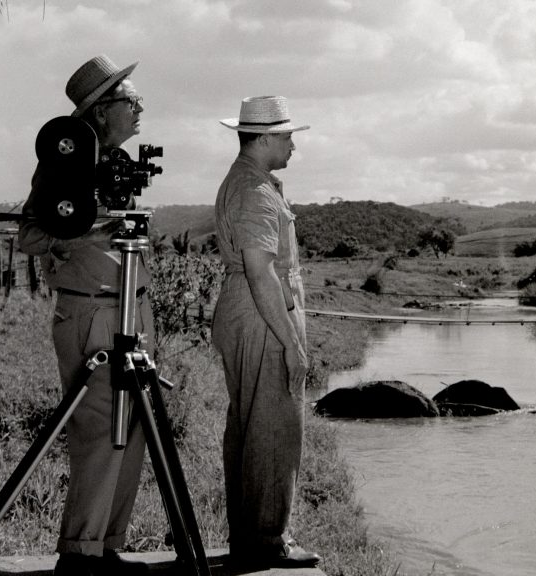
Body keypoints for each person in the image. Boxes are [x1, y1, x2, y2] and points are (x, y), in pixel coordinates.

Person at [17, 54, 155, 576]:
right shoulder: (64, 163)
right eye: (130, 100)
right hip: (91, 315)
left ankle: (107, 547)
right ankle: (80, 556)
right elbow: (32, 235)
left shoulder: (115, 164)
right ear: (100, 113)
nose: (139, 108)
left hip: (128, 310)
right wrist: (88, 225)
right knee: (100, 432)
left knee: (133, 430)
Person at [211, 95, 321, 568]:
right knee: (274, 428)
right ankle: (268, 539)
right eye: (288, 136)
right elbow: (262, 273)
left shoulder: (256, 183)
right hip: (261, 314)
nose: (294, 145)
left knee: (253, 425)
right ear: (265, 138)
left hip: (251, 312)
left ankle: (252, 535)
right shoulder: (254, 191)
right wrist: (292, 345)